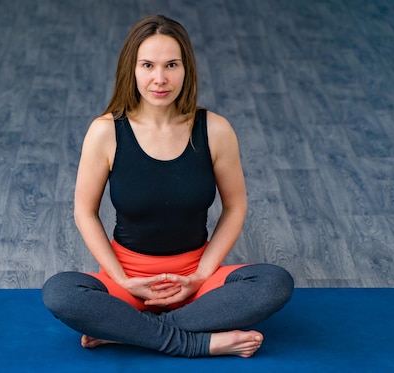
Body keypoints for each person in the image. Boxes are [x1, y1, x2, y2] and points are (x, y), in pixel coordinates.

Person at [42, 14, 293, 358]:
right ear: (132, 69)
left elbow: (235, 207)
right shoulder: (105, 131)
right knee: (60, 293)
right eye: (147, 65)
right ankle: (197, 341)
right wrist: (123, 280)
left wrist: (200, 276)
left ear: (186, 68)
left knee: (274, 283)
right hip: (127, 281)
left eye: (171, 65)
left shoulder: (216, 130)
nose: (160, 79)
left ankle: (129, 331)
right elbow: (84, 212)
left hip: (196, 280)